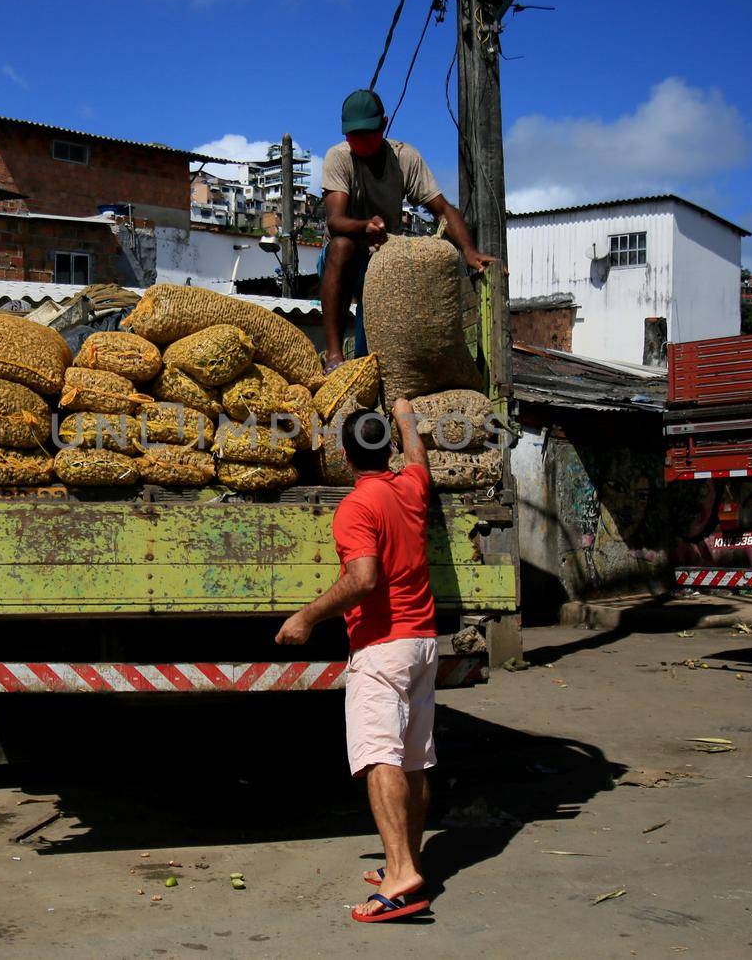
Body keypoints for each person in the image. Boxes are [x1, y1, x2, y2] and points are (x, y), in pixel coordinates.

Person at [275, 398, 437, 924]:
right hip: (422, 643)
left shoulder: (356, 507)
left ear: (345, 457)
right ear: (387, 449)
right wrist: (408, 415)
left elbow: (363, 578)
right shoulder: (410, 488)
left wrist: (306, 617)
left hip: (382, 648)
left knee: (379, 757)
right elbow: (420, 459)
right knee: (413, 759)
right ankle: (408, 862)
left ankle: (399, 877)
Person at [319, 88, 499, 371]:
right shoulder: (338, 157)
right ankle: (333, 356)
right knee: (343, 246)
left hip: (382, 256)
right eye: (353, 136)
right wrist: (365, 226)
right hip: (340, 260)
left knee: (375, 339)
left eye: (367, 134)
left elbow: (443, 210)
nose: (360, 141)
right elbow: (335, 221)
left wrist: (469, 250)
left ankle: (371, 370)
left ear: (384, 124)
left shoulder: (405, 158)